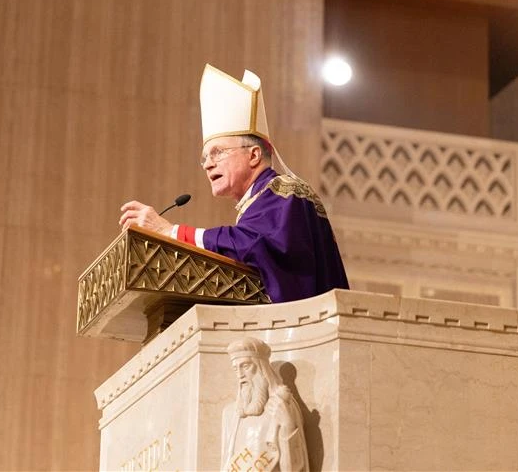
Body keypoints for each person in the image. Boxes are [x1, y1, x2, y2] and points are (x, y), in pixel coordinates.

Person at [119, 64, 348, 302]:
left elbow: (252, 244)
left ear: (254, 155)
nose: (208, 164)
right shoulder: (260, 199)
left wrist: (170, 232)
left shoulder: (283, 192)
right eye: (205, 158)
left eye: (218, 152)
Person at [221, 337, 309, 472]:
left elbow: (294, 468)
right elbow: (226, 464)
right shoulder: (231, 413)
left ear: (262, 367)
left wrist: (287, 426)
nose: (240, 375)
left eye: (245, 366)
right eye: (235, 369)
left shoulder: (282, 405)